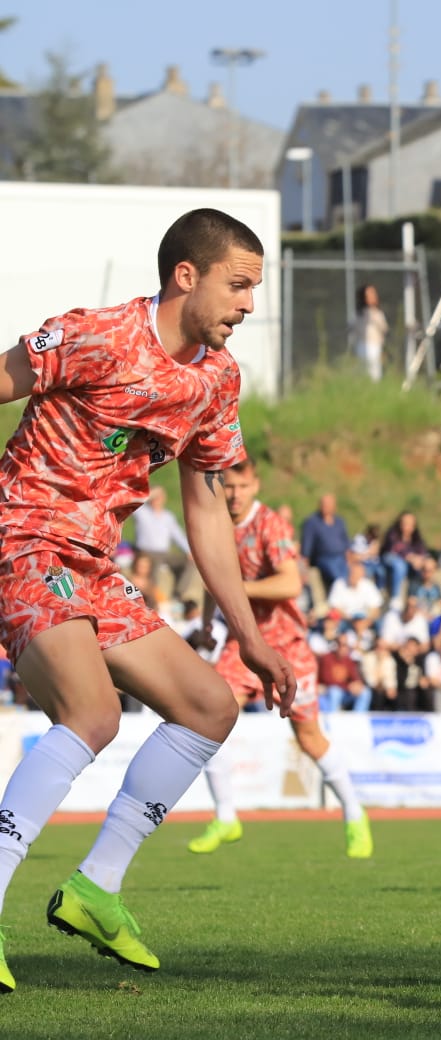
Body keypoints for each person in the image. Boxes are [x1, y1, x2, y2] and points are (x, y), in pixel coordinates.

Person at [0, 208, 296, 992]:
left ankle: (97, 887)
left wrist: (251, 636)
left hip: (92, 564)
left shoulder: (216, 381)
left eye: (256, 289)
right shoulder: (95, 334)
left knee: (208, 706)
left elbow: (206, 511)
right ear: (185, 276)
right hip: (24, 537)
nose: (249, 305)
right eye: (239, 285)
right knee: (92, 714)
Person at [187, 457, 372, 860]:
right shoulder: (214, 523)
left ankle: (355, 814)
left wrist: (236, 589)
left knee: (309, 738)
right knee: (208, 717)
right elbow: (211, 580)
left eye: (241, 486)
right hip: (242, 643)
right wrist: (206, 623)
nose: (234, 494)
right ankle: (225, 816)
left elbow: (290, 582)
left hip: (286, 644)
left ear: (255, 485)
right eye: (228, 487)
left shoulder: (271, 524)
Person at [130, 485, 192, 600]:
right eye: (156, 497)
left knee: (187, 563)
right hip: (146, 552)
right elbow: (134, 502)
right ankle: (151, 600)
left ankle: (177, 597)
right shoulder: (142, 512)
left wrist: (189, 551)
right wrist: (152, 493)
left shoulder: (168, 517)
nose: (158, 499)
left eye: (160, 496)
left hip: (164, 553)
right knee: (153, 567)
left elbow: (178, 535)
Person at [300, 493, 350, 595]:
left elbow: (346, 543)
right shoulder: (312, 522)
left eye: (328, 504)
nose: (325, 506)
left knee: (352, 574)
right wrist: (303, 568)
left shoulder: (339, 522)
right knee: (338, 578)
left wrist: (350, 561)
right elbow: (306, 548)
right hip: (323, 558)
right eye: (323, 504)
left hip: (341, 558)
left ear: (334, 506)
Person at [379, 510, 431, 609]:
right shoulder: (392, 533)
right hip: (390, 559)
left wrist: (420, 559)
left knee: (420, 568)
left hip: (409, 563)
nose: (408, 527)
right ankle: (395, 597)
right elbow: (396, 548)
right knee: (400, 565)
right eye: (405, 523)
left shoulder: (416, 537)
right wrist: (411, 558)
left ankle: (413, 597)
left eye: (411, 524)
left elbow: (422, 550)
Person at [349, 283, 389, 382]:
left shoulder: (377, 313)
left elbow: (384, 329)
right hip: (362, 346)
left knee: (375, 374)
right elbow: (352, 329)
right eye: (369, 295)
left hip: (376, 346)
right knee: (363, 373)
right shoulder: (359, 315)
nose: (373, 297)